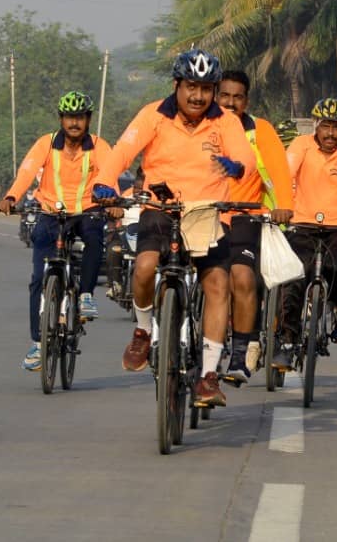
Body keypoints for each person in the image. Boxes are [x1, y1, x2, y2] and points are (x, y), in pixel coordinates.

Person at [100, 48, 256, 409]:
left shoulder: (225, 122)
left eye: (206, 88)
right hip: (162, 207)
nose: (198, 96)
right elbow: (122, 152)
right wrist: (106, 181)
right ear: (177, 85)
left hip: (205, 213)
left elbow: (244, 156)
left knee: (218, 285)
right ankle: (142, 330)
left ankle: (209, 376)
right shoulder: (153, 114)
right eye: (191, 87)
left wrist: (237, 166)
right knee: (143, 267)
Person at [0, 91, 118, 372]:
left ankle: (86, 295)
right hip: (51, 213)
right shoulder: (47, 143)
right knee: (38, 279)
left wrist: (115, 202)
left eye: (79, 117)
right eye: (69, 117)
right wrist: (12, 196)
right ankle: (37, 344)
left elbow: (111, 175)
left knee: (93, 239)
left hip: (86, 211)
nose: (74, 123)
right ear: (61, 119)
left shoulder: (100, 146)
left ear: (88, 120)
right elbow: (27, 172)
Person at [272, 97, 337, 370]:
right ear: (315, 125)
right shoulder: (301, 145)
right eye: (325, 127)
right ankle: (286, 339)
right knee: (294, 277)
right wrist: (281, 206)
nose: (331, 134)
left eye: (336, 127)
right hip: (304, 223)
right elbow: (286, 174)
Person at [216, 69, 295, 384]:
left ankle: (242, 347)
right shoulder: (204, 126)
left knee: (243, 278)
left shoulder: (260, 130)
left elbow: (278, 169)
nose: (230, 103)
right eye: (225, 96)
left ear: (246, 101)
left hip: (245, 214)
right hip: (204, 215)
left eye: (237, 97)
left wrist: (284, 205)